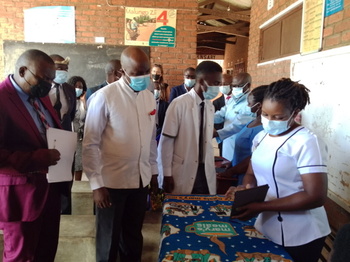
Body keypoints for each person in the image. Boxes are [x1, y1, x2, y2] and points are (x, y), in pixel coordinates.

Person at [226, 78, 330, 262]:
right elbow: (251, 173)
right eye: (265, 114)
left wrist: (261, 206)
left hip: (302, 232)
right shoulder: (261, 137)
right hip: (266, 225)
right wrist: (247, 189)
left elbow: (315, 196)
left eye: (278, 117)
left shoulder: (306, 142)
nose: (270, 121)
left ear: (294, 113)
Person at [83, 46, 158, 262]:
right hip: (111, 185)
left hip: (139, 182)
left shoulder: (149, 98)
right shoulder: (104, 98)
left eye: (146, 71)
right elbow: (90, 144)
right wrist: (96, 185)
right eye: (136, 73)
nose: (143, 77)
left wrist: (153, 173)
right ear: (122, 71)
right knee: (108, 240)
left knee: (133, 237)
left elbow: (150, 140)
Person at [0, 49, 62, 261]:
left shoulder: (40, 97)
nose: (48, 84)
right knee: (21, 256)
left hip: (48, 190)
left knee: (46, 252)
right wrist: (35, 158)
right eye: (44, 78)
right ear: (23, 71)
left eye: (51, 80)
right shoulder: (2, 99)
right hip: (20, 197)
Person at [158, 61, 222, 195]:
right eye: (215, 83)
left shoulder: (209, 106)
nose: (218, 88)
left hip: (204, 170)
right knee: (181, 210)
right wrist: (166, 174)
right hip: (182, 169)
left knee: (203, 209)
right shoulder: (179, 104)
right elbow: (166, 142)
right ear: (201, 81)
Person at [217, 85, 267, 185]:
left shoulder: (262, 129)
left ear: (259, 105)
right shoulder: (251, 122)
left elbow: (252, 158)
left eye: (249, 103)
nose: (248, 106)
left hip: (248, 176)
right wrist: (231, 164)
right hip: (237, 172)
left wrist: (232, 171)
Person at [48, 54, 76, 215]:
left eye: (65, 69)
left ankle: (65, 211)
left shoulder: (69, 89)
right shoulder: (41, 89)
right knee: (49, 179)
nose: (63, 72)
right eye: (59, 69)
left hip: (65, 137)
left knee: (66, 178)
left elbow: (70, 115)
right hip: (46, 138)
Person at [214, 72, 254, 161]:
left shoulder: (251, 102)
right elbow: (221, 115)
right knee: (226, 166)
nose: (235, 88)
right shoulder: (232, 99)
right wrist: (204, 118)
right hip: (227, 142)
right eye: (234, 85)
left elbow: (239, 124)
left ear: (248, 86)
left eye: (239, 86)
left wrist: (217, 133)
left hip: (241, 145)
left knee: (237, 168)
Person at [67, 76, 87, 181]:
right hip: (69, 135)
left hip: (80, 136)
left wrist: (84, 102)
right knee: (69, 161)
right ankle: (69, 184)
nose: (78, 88)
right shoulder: (66, 101)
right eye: (76, 86)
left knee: (79, 162)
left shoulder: (83, 102)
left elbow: (88, 117)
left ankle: (78, 183)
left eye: (81, 86)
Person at [212, 73, 233, 156]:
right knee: (223, 156)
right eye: (221, 84)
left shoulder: (237, 100)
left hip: (235, 135)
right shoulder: (216, 102)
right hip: (222, 135)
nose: (223, 86)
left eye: (226, 84)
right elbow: (215, 120)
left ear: (232, 85)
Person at [151, 64, 170, 140]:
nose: (155, 73)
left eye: (158, 72)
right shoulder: (147, 85)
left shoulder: (165, 86)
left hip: (160, 113)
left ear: (161, 74)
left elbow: (168, 100)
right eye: (154, 71)